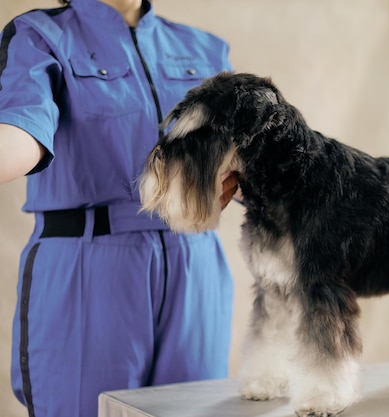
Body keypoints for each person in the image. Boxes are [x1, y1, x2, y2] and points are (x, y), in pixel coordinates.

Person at [0, 0, 240, 416]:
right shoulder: (40, 35)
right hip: (86, 266)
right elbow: (24, 125)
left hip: (196, 266)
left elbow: (253, 159)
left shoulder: (204, 48)